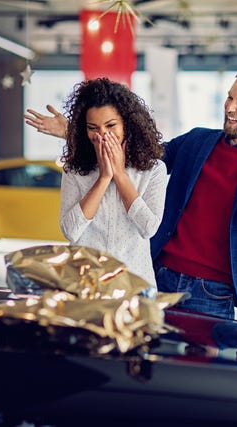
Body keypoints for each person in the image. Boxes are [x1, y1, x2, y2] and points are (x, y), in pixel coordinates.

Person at [24, 69, 237, 320]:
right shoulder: (197, 141)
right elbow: (142, 153)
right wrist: (78, 134)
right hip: (161, 273)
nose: (230, 107)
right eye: (230, 98)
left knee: (198, 371)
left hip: (214, 290)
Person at [51, 77, 167, 292]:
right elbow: (70, 231)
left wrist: (120, 175)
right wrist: (104, 178)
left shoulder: (153, 170)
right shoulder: (74, 170)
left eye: (111, 125)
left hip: (135, 286)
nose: (102, 135)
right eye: (93, 128)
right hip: (84, 285)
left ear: (128, 124)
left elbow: (149, 228)